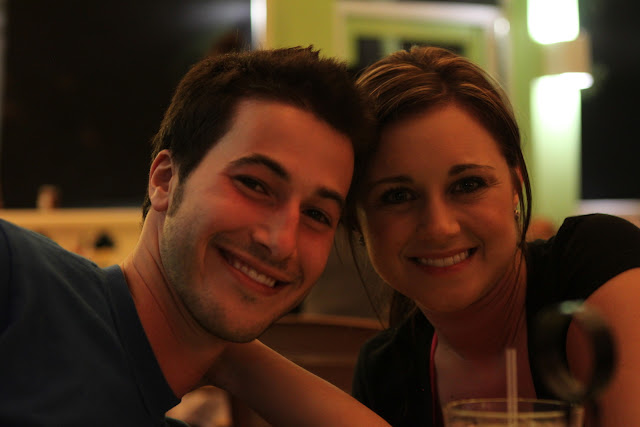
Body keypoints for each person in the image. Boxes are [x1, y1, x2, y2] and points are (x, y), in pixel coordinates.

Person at [0, 46, 390, 426]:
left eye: (317, 215)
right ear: (165, 180)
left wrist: (226, 355)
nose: (282, 243)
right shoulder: (22, 277)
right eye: (254, 184)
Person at [345, 46, 640, 426]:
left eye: (468, 185)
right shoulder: (383, 372)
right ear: (357, 220)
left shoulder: (594, 264)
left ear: (516, 186)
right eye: (397, 196)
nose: (439, 227)